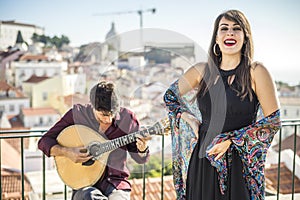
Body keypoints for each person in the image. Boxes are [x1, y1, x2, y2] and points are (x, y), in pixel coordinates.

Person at [163, 10, 281, 200]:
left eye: (236, 29)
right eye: (224, 28)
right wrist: (187, 117)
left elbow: (272, 122)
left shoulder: (256, 72)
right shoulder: (202, 70)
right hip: (203, 160)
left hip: (239, 164)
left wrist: (232, 141)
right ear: (216, 38)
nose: (230, 33)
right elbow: (170, 96)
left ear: (245, 37)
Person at [38, 81, 151, 200]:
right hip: (84, 184)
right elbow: (44, 141)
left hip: (116, 183)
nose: (108, 119)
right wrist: (67, 152)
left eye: (112, 114)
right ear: (93, 106)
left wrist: (142, 149)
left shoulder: (127, 118)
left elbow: (140, 159)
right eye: (103, 115)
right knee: (90, 196)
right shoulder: (77, 115)